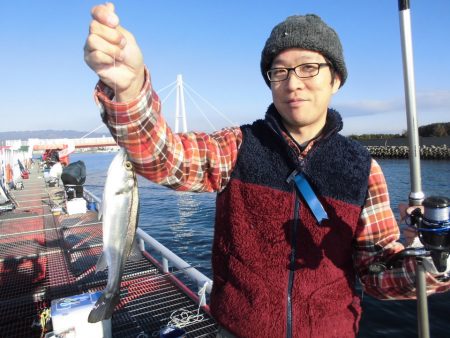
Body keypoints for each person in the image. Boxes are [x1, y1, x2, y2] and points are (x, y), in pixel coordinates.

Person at [84, 4, 450, 338]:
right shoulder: (238, 146)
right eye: (280, 71)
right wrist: (129, 90)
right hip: (236, 329)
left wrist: (438, 262)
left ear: (336, 79)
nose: (293, 82)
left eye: (310, 68)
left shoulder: (363, 169)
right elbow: (166, 158)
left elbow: (377, 276)